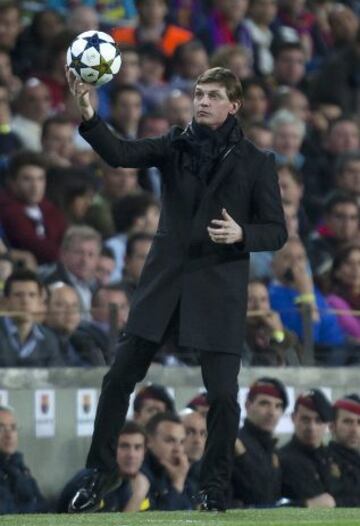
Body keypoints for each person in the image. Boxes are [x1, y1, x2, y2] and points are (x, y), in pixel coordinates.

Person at [66, 65, 287, 513]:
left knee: (224, 397)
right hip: (164, 288)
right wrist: (89, 114)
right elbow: (121, 155)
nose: (202, 101)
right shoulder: (174, 144)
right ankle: (99, 475)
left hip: (217, 294)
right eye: (198, 93)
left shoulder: (256, 162)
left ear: (234, 105)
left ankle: (212, 489)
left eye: (212, 96)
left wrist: (242, 234)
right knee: (118, 379)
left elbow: (276, 231)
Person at [58, 421, 147, 513]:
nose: (131, 455)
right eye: (124, 446)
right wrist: (137, 498)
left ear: (145, 452)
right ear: (110, 449)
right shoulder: (92, 483)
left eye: (137, 447)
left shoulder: (129, 481)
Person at [231, 377, 288, 507]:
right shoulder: (235, 444)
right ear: (247, 405)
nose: (272, 412)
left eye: (278, 406)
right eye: (264, 403)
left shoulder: (273, 450)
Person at [279, 389, 337, 508]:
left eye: (318, 421)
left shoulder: (335, 458)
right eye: (305, 419)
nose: (311, 427)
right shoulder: (281, 460)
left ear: (327, 424)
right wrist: (307, 505)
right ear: (293, 418)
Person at [0, 269, 63, 367]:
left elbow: (56, 379)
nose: (25, 301)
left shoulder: (49, 340)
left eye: (32, 295)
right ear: (6, 301)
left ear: (39, 301)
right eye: (18, 295)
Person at [0, 405, 47, 514]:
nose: (9, 435)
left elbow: (43, 507)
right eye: (1, 428)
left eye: (13, 427)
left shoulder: (20, 467)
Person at [141, 412, 192, 510]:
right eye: (170, 441)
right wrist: (177, 483)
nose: (177, 449)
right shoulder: (141, 474)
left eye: (181, 442)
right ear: (149, 441)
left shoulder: (181, 470)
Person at [328, 394, 360, 506]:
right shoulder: (324, 461)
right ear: (332, 426)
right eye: (347, 422)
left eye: (359, 422)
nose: (355, 430)